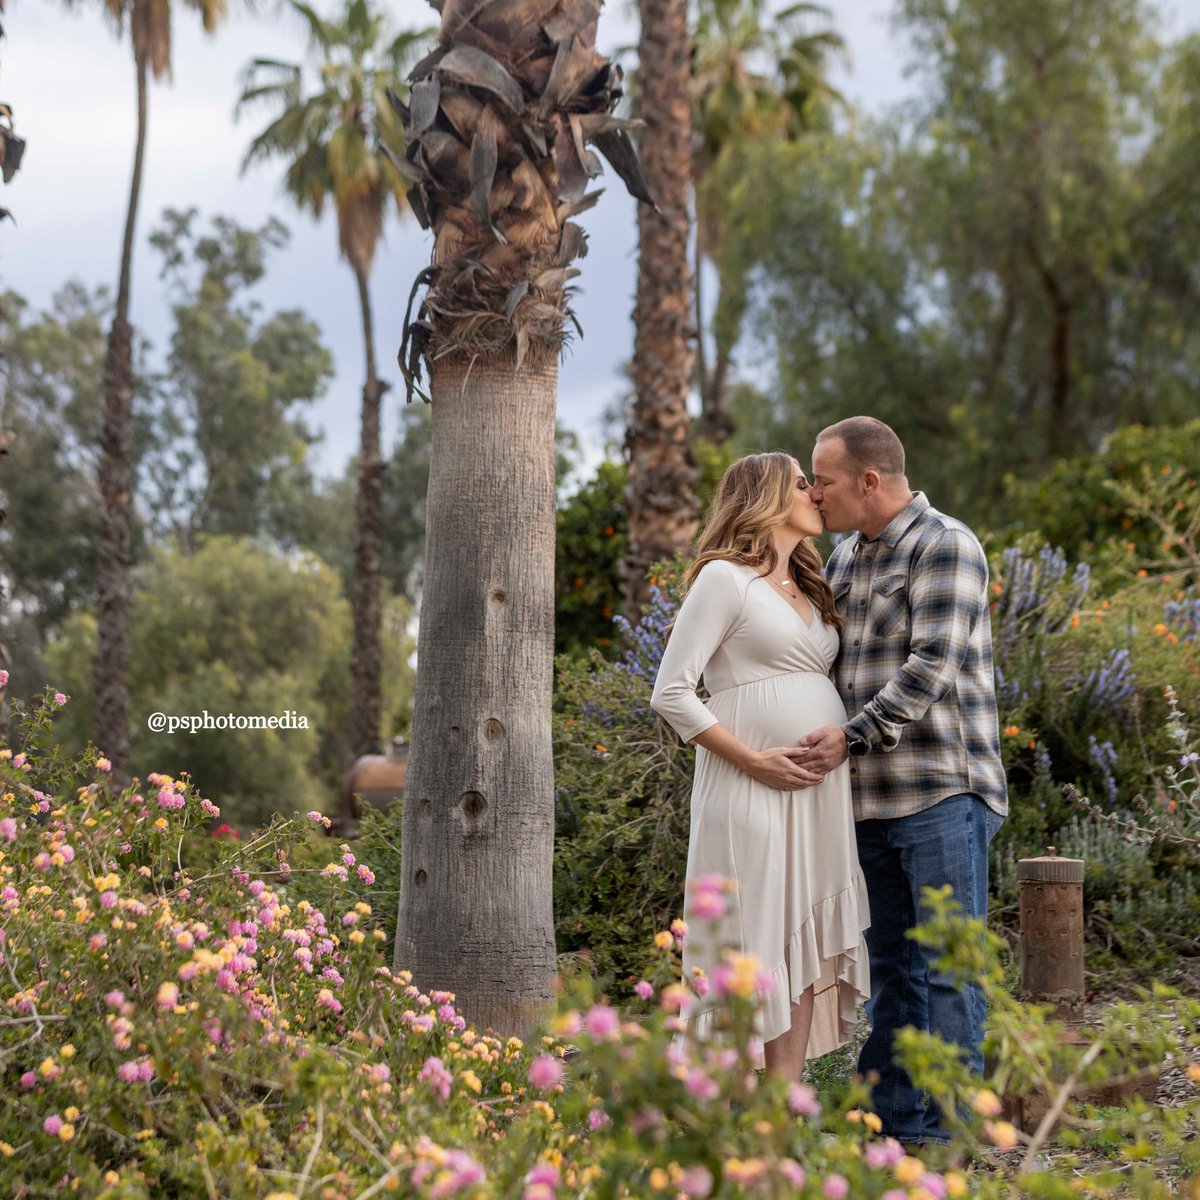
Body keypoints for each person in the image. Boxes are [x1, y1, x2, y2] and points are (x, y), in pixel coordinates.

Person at [794, 416, 1007, 1145]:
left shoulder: (947, 545)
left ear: (869, 481)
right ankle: (897, 1128)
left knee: (950, 968)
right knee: (893, 967)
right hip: (868, 801)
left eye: (823, 480)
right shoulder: (847, 555)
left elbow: (930, 669)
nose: (814, 493)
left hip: (942, 791)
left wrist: (847, 738)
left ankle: (952, 1140)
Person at [650, 452, 870, 1080]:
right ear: (770, 496)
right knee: (748, 940)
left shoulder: (811, 583)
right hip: (749, 784)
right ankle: (713, 1110)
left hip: (815, 793)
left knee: (797, 942)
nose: (815, 493)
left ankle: (780, 1115)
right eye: (804, 483)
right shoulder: (724, 579)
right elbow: (671, 690)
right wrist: (755, 760)